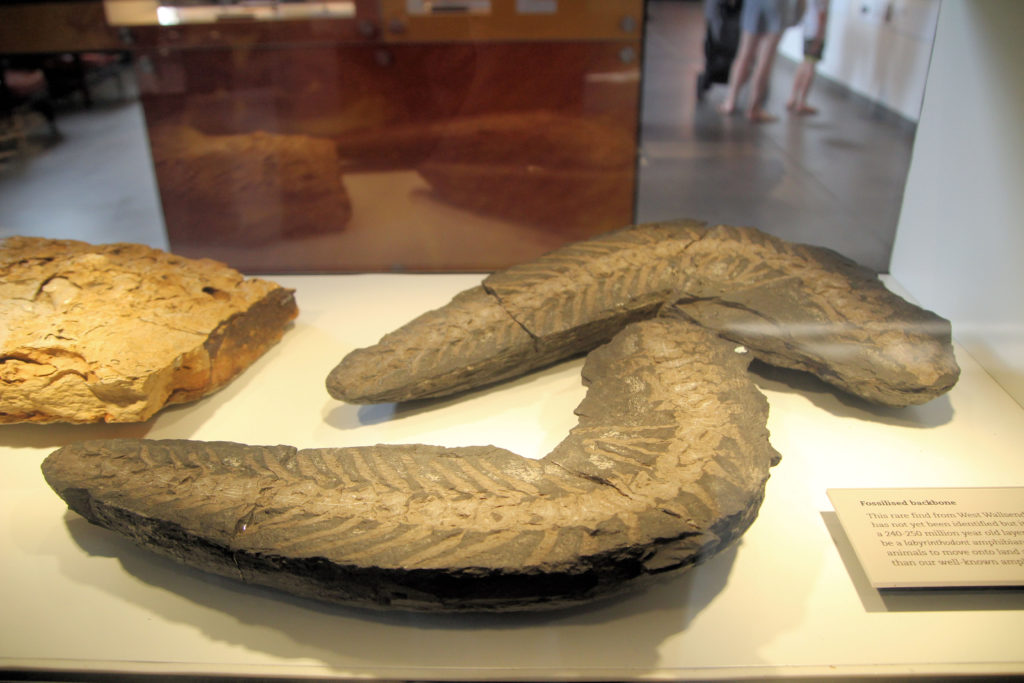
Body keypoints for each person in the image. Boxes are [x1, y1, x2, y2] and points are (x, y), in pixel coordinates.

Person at [719, 0, 805, 122]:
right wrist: (799, 13)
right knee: (765, 60)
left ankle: (730, 101)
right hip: (778, 5)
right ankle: (754, 108)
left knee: (744, 54)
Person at [787, 0, 830, 115]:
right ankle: (802, 101)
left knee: (804, 64)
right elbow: (822, 16)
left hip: (807, 31)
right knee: (810, 67)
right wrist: (819, 37)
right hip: (814, 33)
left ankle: (793, 98)